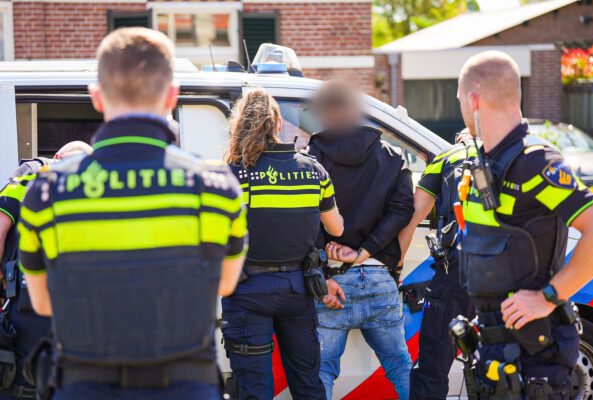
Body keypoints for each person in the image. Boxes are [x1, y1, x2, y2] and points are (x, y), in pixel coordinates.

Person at [17, 27, 247, 400]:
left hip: (83, 385)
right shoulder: (216, 188)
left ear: (96, 96)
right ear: (172, 95)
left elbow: (43, 303)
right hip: (185, 385)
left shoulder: (47, 192)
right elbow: (223, 285)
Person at [456, 50, 593, 398]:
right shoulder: (487, 162)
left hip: (535, 356)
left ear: (473, 100)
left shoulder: (536, 161)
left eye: (459, 100)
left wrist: (548, 297)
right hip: (496, 349)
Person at [222, 88, 344, 400]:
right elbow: (336, 228)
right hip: (298, 288)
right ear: (278, 124)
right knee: (307, 384)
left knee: (254, 390)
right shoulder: (313, 171)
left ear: (240, 125)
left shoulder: (233, 174)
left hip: (246, 289)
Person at [308, 80, 414, 400]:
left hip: (331, 283)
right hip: (379, 275)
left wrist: (325, 257)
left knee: (322, 371)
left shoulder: (311, 159)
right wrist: (366, 251)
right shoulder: (393, 157)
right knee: (401, 367)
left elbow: (305, 217)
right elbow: (403, 209)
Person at [0, 142, 92, 400]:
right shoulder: (98, 187)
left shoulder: (31, 173)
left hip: (27, 307)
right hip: (80, 313)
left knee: (20, 385)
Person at [398, 130, 475, 400]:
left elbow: (414, 214)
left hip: (457, 271)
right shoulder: (512, 155)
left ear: (459, 138)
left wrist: (397, 266)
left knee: (432, 365)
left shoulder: (447, 157)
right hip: (508, 273)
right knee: (501, 363)